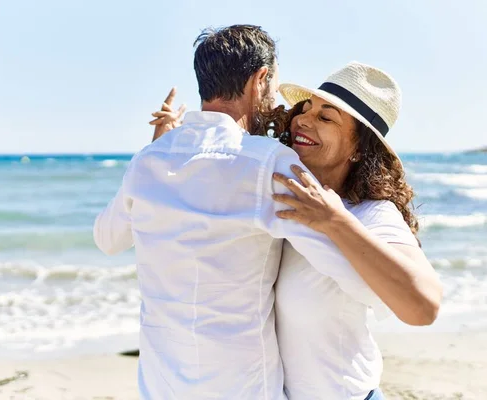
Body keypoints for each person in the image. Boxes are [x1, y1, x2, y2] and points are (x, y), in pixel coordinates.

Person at [94, 26, 402, 400]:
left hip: (161, 388)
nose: (277, 106)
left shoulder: (148, 160)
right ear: (259, 80)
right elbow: (364, 282)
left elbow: (107, 240)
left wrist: (157, 150)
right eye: (273, 90)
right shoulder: (269, 164)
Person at [152, 62, 442, 400]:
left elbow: (423, 307)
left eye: (326, 117)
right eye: (306, 108)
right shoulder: (270, 194)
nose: (303, 119)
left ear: (360, 148)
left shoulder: (370, 214)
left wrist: (335, 221)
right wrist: (165, 152)